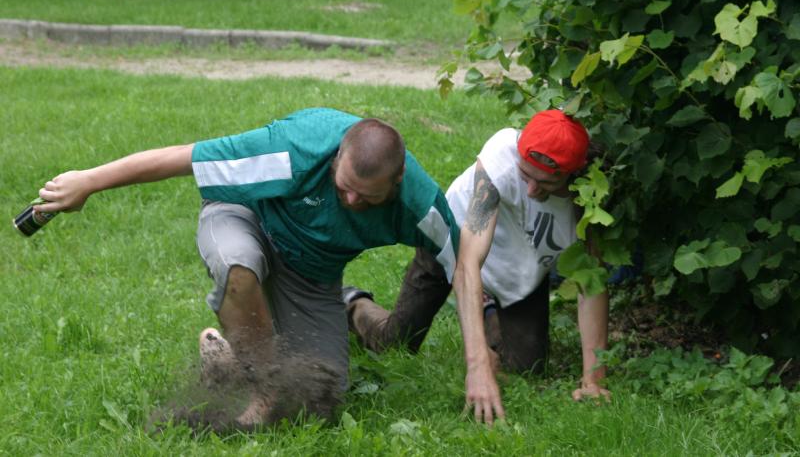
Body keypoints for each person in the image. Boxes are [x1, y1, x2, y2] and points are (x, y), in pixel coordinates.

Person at [34, 107, 460, 428]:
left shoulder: (419, 203)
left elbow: (464, 263)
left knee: (317, 401)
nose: (351, 201)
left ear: (397, 180)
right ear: (335, 159)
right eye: (344, 188)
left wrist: (480, 360)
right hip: (243, 219)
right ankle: (263, 391)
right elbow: (184, 157)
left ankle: (224, 356)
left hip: (311, 273)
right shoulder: (296, 149)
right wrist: (88, 181)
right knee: (240, 267)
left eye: (366, 198)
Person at [345, 109, 610, 425]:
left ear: (573, 172)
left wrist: (594, 379)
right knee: (396, 343)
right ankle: (352, 303)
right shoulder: (502, 155)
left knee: (527, 368)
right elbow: (467, 264)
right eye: (525, 175)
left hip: (518, 272)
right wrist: (478, 364)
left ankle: (484, 309)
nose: (531, 191)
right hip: (454, 246)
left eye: (546, 182)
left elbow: (591, 285)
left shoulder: (589, 200)